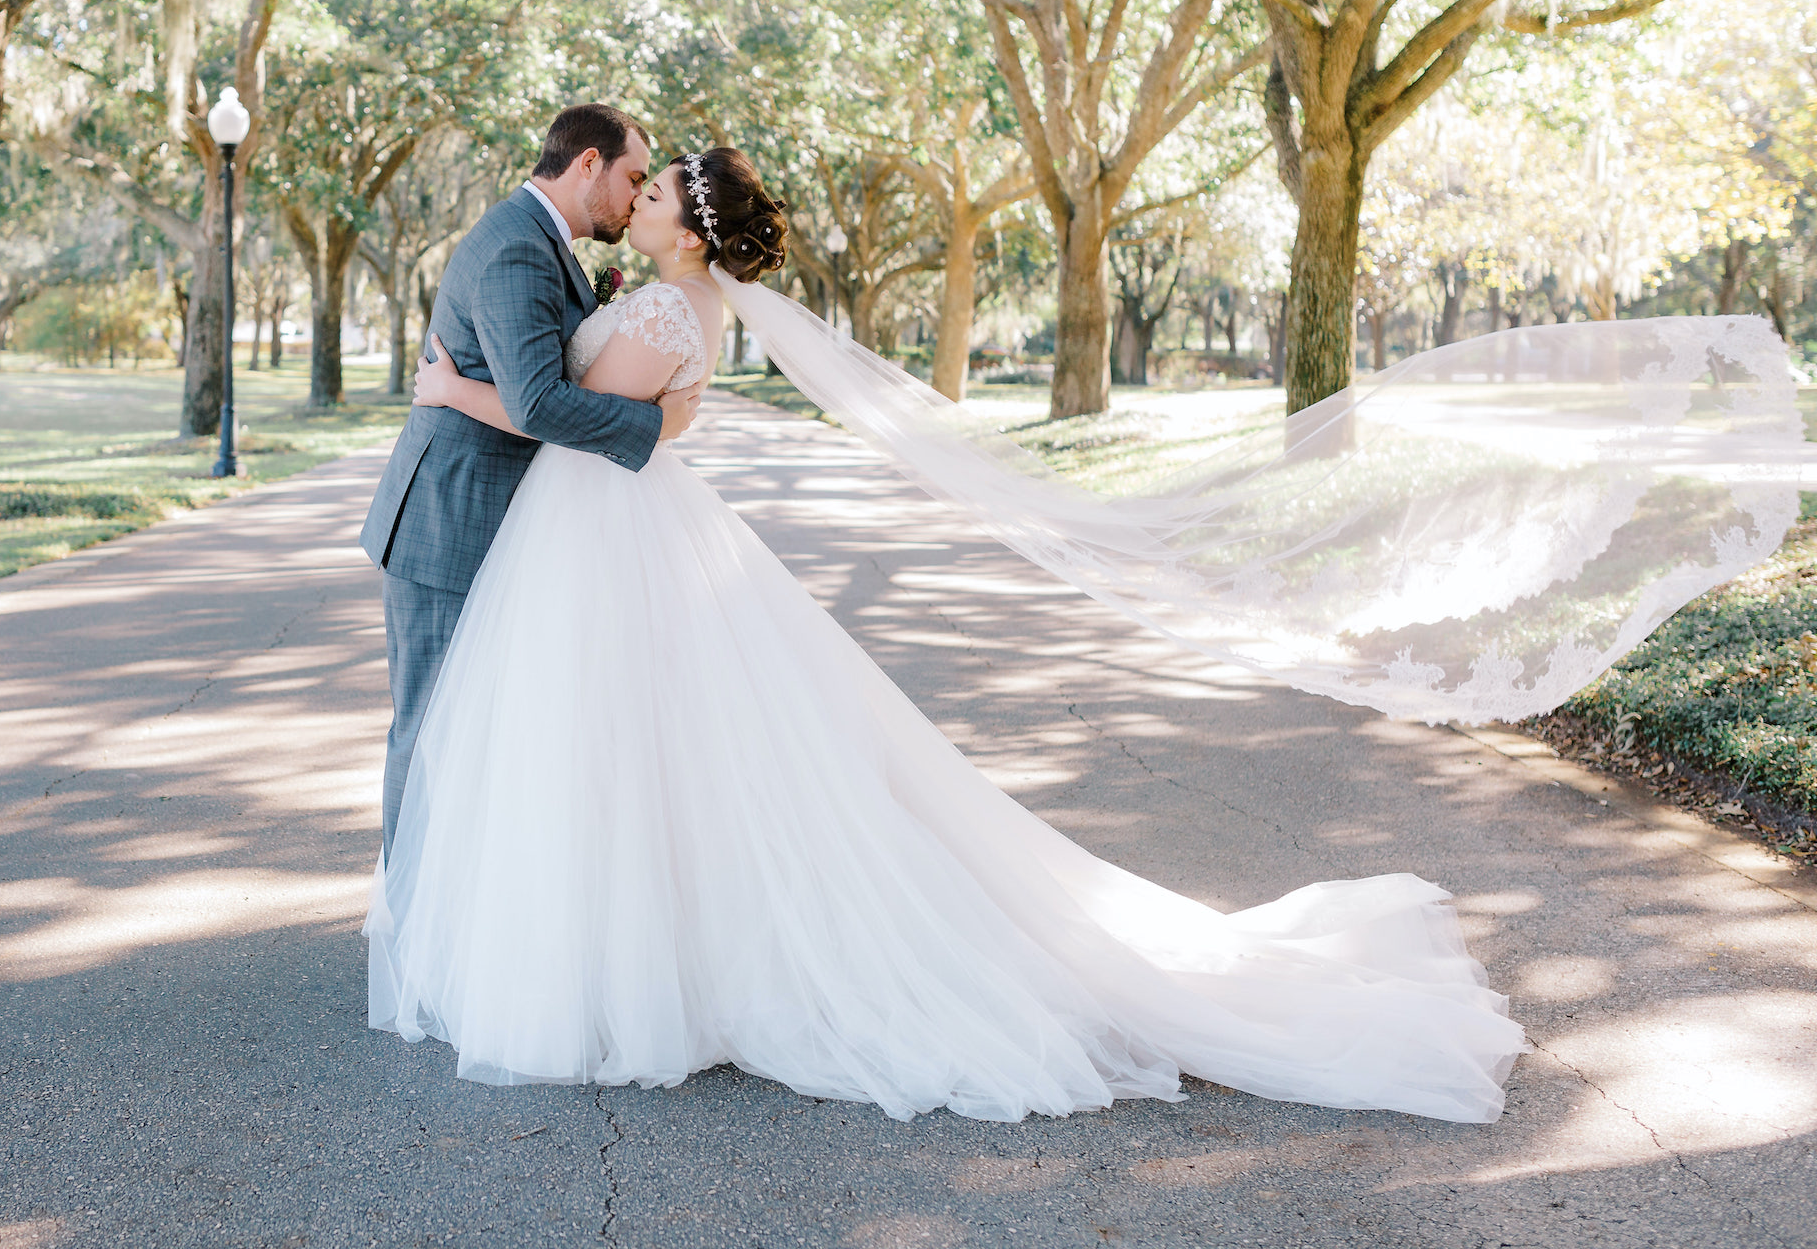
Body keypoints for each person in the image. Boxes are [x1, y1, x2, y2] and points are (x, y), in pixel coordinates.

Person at [365, 144, 1526, 1126]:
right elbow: (650, 414)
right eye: (640, 182)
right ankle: (615, 945)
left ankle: (607, 959)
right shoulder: (670, 297)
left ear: (688, 229)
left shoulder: (668, 302)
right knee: (641, 746)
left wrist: (458, 396)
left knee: (619, 741)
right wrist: (656, 410)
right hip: (604, 532)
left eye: (657, 190)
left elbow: (591, 421)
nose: (641, 198)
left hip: (603, 529)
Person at [359, 103, 703, 861]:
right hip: (448, 527)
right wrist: (657, 427)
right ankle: (412, 925)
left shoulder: (540, 241)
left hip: (495, 525)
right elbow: (538, 401)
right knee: (431, 729)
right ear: (588, 164)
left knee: (476, 731)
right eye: (632, 177)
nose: (635, 195)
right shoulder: (518, 247)